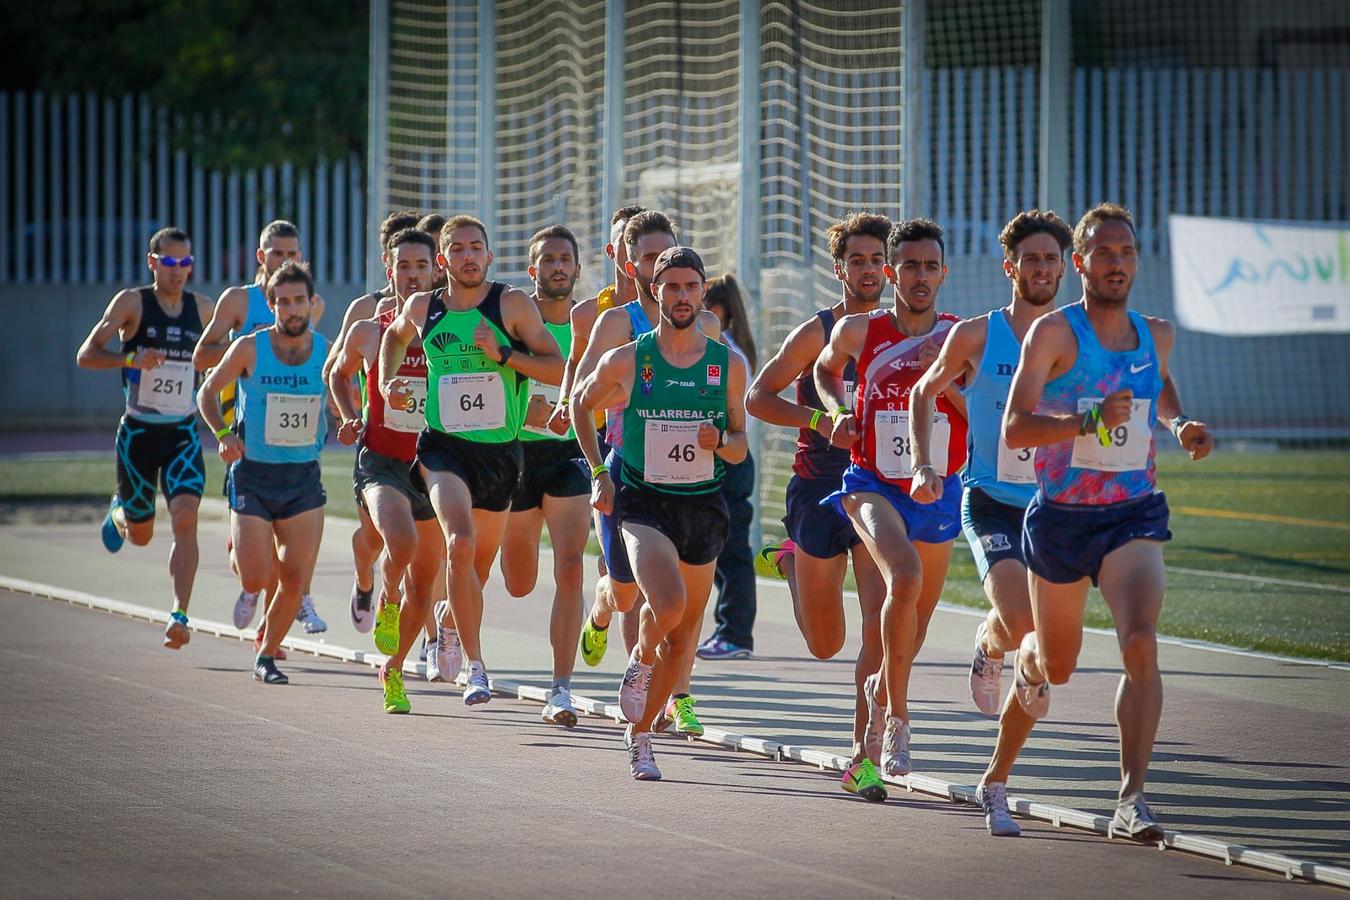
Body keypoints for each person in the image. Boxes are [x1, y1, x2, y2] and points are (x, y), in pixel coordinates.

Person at [1000, 203, 1213, 840]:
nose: (1116, 263)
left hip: (1132, 511)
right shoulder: (1055, 335)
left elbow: (1160, 384)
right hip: (1063, 518)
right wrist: (1084, 424)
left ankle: (1131, 798)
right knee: (1058, 666)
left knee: (1141, 641)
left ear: (1135, 262)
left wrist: (1178, 424)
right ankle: (1028, 660)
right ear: (1081, 262)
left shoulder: (1157, 333)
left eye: (1126, 253)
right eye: (1103, 253)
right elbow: (1016, 428)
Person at [907, 209, 1073, 834]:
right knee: (1030, 628)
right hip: (994, 502)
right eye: (1030, 259)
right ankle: (997, 640)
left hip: (1057, 508)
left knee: (1043, 653)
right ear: (1011, 268)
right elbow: (926, 391)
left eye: (1051, 260)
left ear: (1066, 268)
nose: (1041, 269)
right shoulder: (977, 336)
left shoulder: (1075, 341)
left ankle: (995, 778)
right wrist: (926, 463)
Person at [575, 246, 748, 780]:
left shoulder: (728, 364)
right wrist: (599, 474)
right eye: (670, 287)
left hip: (704, 504)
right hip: (643, 501)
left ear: (703, 293)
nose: (681, 296)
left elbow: (740, 445)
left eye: (690, 287)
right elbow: (583, 403)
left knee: (683, 634)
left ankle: (642, 734)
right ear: (655, 290)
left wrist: (717, 439)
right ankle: (642, 664)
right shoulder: (630, 358)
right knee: (666, 604)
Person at [378, 215, 563, 706]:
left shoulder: (512, 305)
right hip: (443, 449)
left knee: (476, 568)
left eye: (475, 248)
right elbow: (394, 336)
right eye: (456, 249)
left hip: (500, 454)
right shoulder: (424, 308)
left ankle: (451, 622)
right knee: (458, 543)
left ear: (489, 256)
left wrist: (504, 354)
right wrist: (385, 383)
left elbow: (555, 365)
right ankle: (478, 669)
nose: (467, 256)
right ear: (443, 262)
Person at [745, 212, 892, 802]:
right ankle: (787, 563)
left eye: (875, 259)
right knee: (826, 644)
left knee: (881, 627)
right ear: (839, 269)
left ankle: (864, 756)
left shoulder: (908, 335)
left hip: (883, 491)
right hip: (819, 490)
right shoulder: (816, 333)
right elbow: (758, 397)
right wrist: (819, 418)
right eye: (856, 260)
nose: (867, 269)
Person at [814, 217, 968, 778]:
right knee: (902, 579)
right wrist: (836, 413)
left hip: (938, 489)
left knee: (910, 629)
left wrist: (939, 379)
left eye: (930, 266)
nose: (919, 276)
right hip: (872, 482)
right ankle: (898, 719)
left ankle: (882, 697)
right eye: (908, 266)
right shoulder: (860, 331)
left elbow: (980, 417)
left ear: (943, 273)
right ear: (890, 271)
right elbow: (824, 370)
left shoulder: (960, 336)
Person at [75, 226, 214, 649]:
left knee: (186, 516)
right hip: (137, 433)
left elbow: (222, 353)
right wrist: (130, 358)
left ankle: (180, 614)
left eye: (185, 262)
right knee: (141, 535)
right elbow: (86, 356)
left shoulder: (204, 309)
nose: (178, 271)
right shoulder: (132, 303)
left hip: (183, 432)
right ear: (153, 262)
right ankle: (121, 510)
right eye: (170, 263)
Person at [327, 227, 446, 713]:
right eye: (405, 266)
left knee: (427, 581)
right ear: (389, 268)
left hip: (436, 462)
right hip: (381, 461)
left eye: (422, 266)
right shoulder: (369, 329)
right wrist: (350, 413)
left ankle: (392, 672)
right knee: (401, 545)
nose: (413, 275)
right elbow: (336, 371)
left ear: (436, 270)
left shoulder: (449, 327)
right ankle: (386, 593)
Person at [194, 219, 328, 640]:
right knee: (257, 564)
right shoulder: (239, 301)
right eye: (277, 253)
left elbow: (321, 367)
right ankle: (250, 577)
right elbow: (202, 359)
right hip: (244, 438)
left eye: (292, 255)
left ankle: (289, 611)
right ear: (261, 256)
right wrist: (250, 346)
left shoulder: (311, 307)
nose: (284, 260)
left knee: (291, 560)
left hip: (298, 458)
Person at [496, 224, 593, 728]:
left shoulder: (593, 324)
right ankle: (450, 614)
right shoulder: (516, 324)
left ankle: (561, 688)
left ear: (577, 268)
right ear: (533, 270)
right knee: (518, 582)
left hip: (570, 455)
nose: (558, 266)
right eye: (548, 259)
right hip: (518, 457)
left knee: (572, 564)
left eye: (565, 258)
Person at [546, 204, 644, 660]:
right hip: (602, 439)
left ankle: (640, 677)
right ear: (613, 250)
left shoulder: (669, 312)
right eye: (626, 239)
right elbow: (574, 364)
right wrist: (566, 403)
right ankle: (604, 608)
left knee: (643, 566)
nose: (634, 248)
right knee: (615, 564)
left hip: (650, 440)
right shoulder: (591, 313)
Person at [695, 273, 759, 661]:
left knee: (732, 549)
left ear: (717, 311)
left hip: (729, 456)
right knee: (718, 547)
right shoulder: (733, 348)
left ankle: (735, 632)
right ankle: (730, 628)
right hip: (721, 454)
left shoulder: (725, 353)